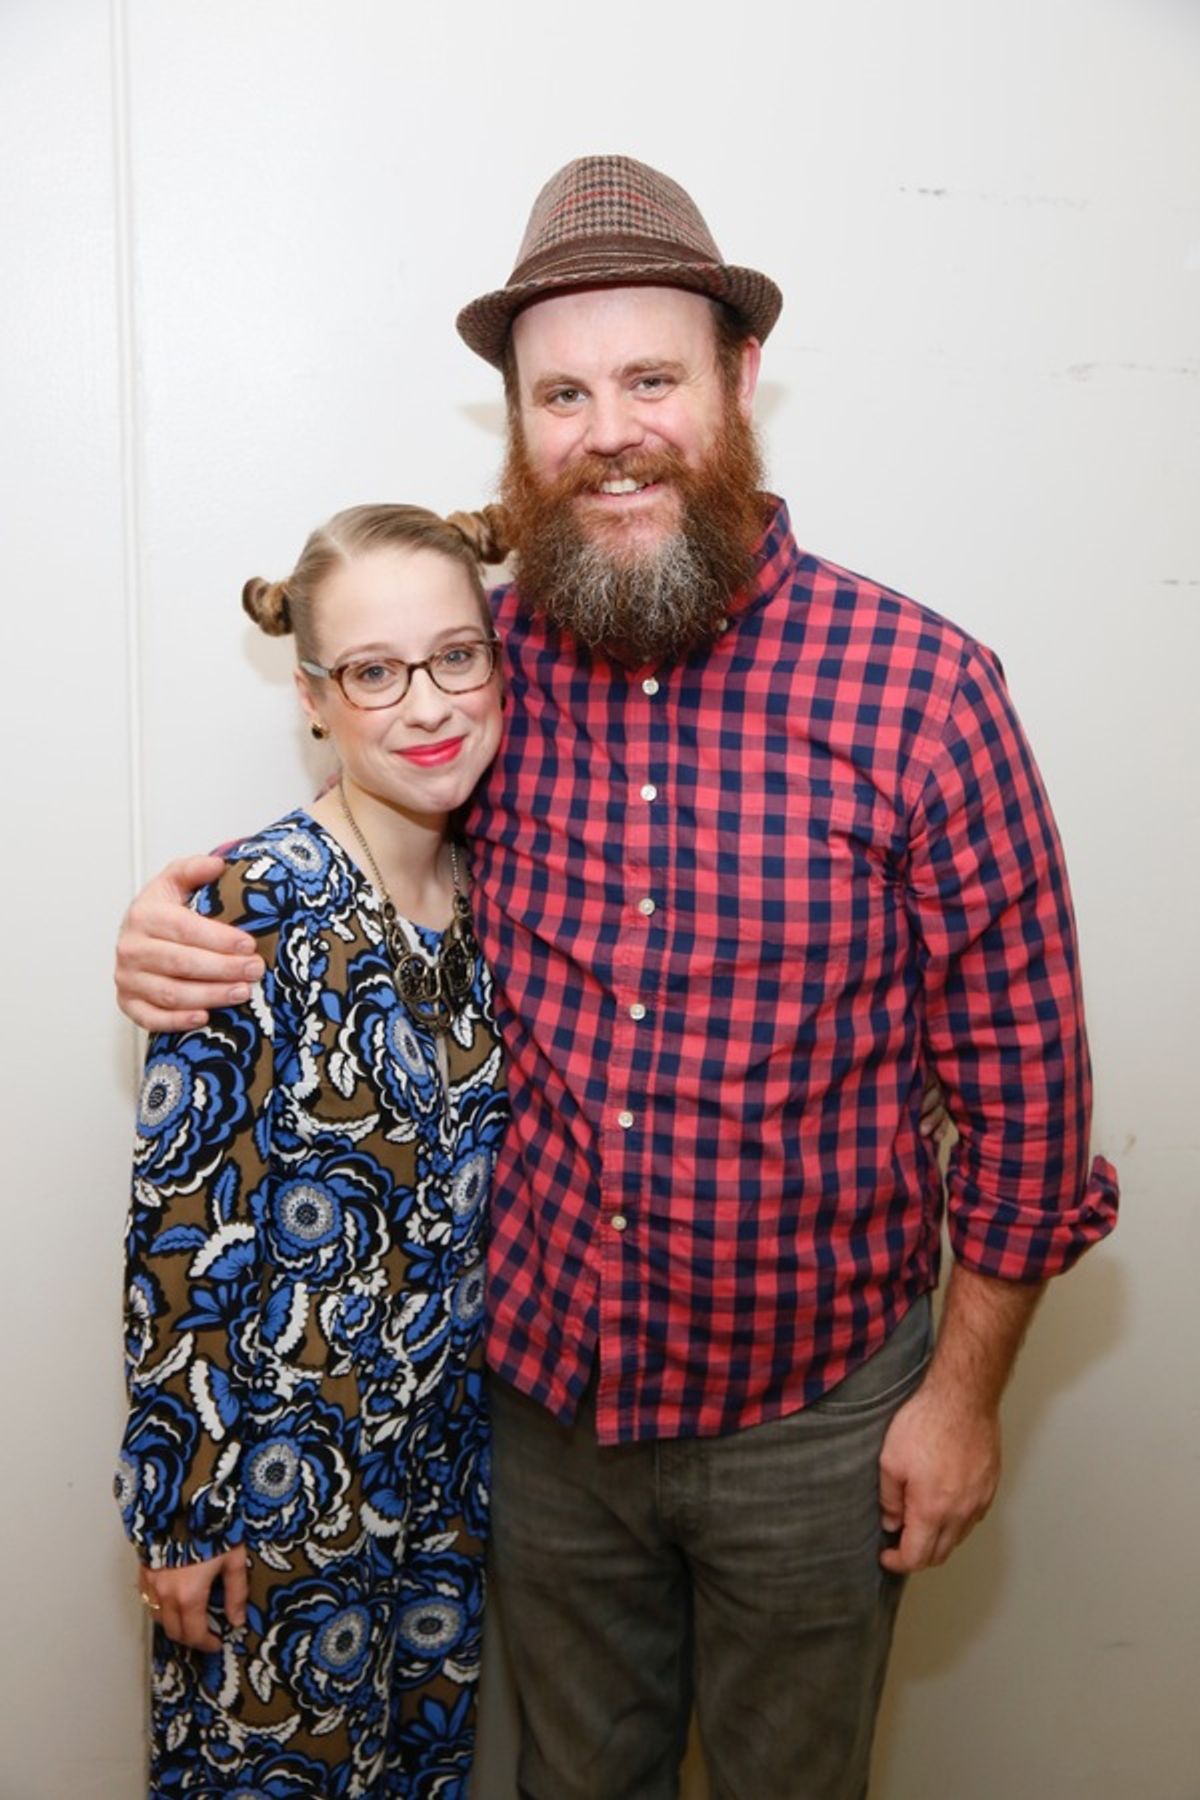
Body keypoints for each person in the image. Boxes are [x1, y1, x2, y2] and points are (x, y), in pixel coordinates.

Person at [115, 158, 1118, 1799]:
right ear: (517, 426)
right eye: (562, 393)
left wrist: (961, 1398)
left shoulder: (921, 693)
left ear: (734, 385)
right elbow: (366, 814)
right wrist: (166, 923)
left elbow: (1028, 1101)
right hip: (542, 1422)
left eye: (651, 378)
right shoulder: (488, 666)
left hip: (817, 1426)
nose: (611, 427)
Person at [115, 504, 508, 1796]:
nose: (427, 704)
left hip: (442, 1489)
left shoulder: (496, 900)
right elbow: (179, 1231)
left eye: (457, 656)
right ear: (315, 701)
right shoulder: (247, 906)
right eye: (375, 672)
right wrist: (176, 1515)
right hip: (275, 1513)